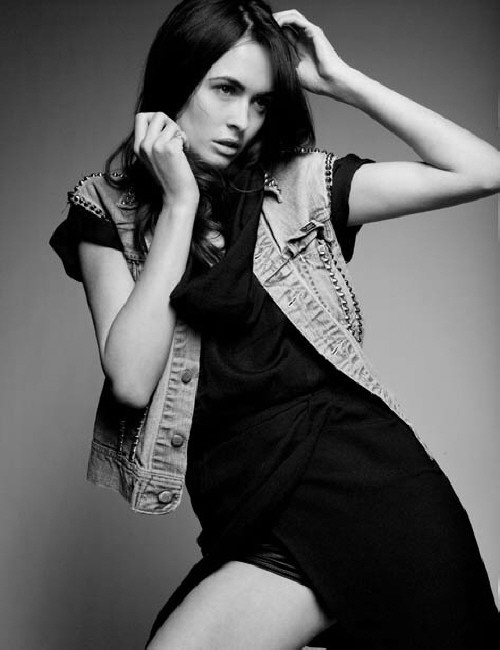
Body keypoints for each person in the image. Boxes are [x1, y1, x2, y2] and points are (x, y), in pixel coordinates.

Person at [49, 0, 500, 647]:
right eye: (226, 89)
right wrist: (179, 206)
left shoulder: (297, 188)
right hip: (253, 513)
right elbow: (131, 378)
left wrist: (343, 81)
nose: (243, 120)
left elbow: (483, 170)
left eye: (261, 101)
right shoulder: (106, 209)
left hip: (374, 495)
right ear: (179, 80)